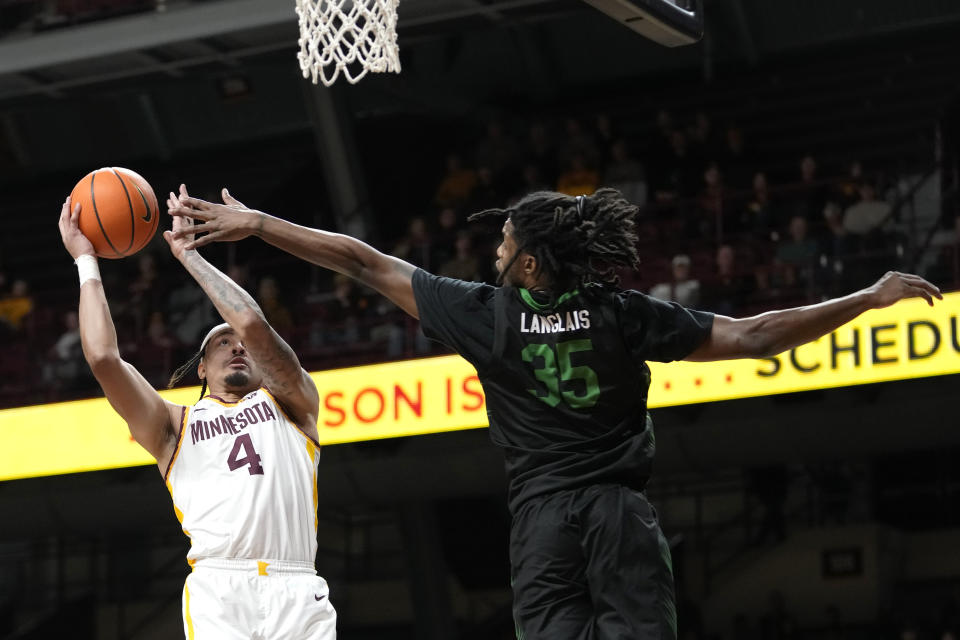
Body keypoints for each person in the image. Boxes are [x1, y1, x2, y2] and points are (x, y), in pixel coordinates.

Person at [169, 185, 941, 640]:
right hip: (619, 515)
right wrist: (865, 299)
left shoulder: (487, 316)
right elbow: (759, 336)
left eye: (505, 246)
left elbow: (363, 261)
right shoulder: (624, 313)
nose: (495, 256)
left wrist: (259, 225)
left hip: (543, 524)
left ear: (531, 263)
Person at [57, 195, 336, 639]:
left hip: (298, 587)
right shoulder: (173, 425)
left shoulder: (293, 402)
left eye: (239, 343)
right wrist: (86, 261)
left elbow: (252, 326)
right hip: (219, 589)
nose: (237, 346)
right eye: (221, 344)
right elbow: (103, 358)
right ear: (201, 368)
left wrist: (190, 257)